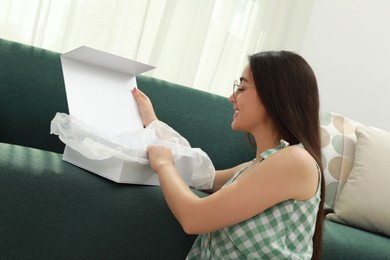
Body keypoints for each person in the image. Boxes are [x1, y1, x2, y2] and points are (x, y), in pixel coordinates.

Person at [132, 50, 324, 260]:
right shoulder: (257, 165)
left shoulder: (296, 161)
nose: (231, 98)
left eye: (241, 88)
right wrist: (153, 124)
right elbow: (203, 176)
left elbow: (194, 218)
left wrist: (163, 165)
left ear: (274, 94)